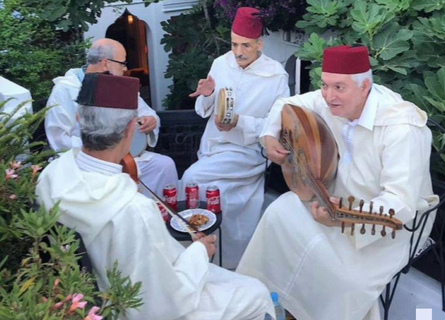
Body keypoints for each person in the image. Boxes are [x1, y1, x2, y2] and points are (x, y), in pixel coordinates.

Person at [36, 73, 275, 320]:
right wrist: (199, 252)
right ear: (131, 128)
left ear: (79, 118)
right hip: (127, 307)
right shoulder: (133, 209)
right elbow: (164, 302)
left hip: (88, 295)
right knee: (256, 293)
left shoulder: (52, 174)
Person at [236, 45, 439, 320]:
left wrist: (343, 217)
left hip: (386, 225)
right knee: (279, 213)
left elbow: (400, 204)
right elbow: (286, 105)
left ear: (365, 86)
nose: (329, 96)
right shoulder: (331, 100)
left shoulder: (402, 127)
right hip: (333, 199)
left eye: (339, 87)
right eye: (325, 85)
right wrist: (270, 136)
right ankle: (265, 304)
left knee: (346, 280)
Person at [180, 7, 290, 269]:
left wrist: (239, 123)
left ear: (259, 44)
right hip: (213, 147)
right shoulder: (221, 63)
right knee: (221, 197)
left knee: (192, 180)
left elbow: (276, 127)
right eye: (234, 44)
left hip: (247, 151)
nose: (238, 52)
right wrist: (207, 95)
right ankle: (214, 262)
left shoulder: (276, 76)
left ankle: (197, 257)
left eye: (246, 45)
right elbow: (203, 110)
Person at [44, 38, 177, 196]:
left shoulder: (120, 85)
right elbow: (57, 137)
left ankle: (164, 214)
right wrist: (99, 153)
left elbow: (148, 112)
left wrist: (151, 121)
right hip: (84, 162)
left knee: (163, 165)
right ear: (106, 63)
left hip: (124, 156)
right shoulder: (65, 89)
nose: (124, 68)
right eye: (122, 63)